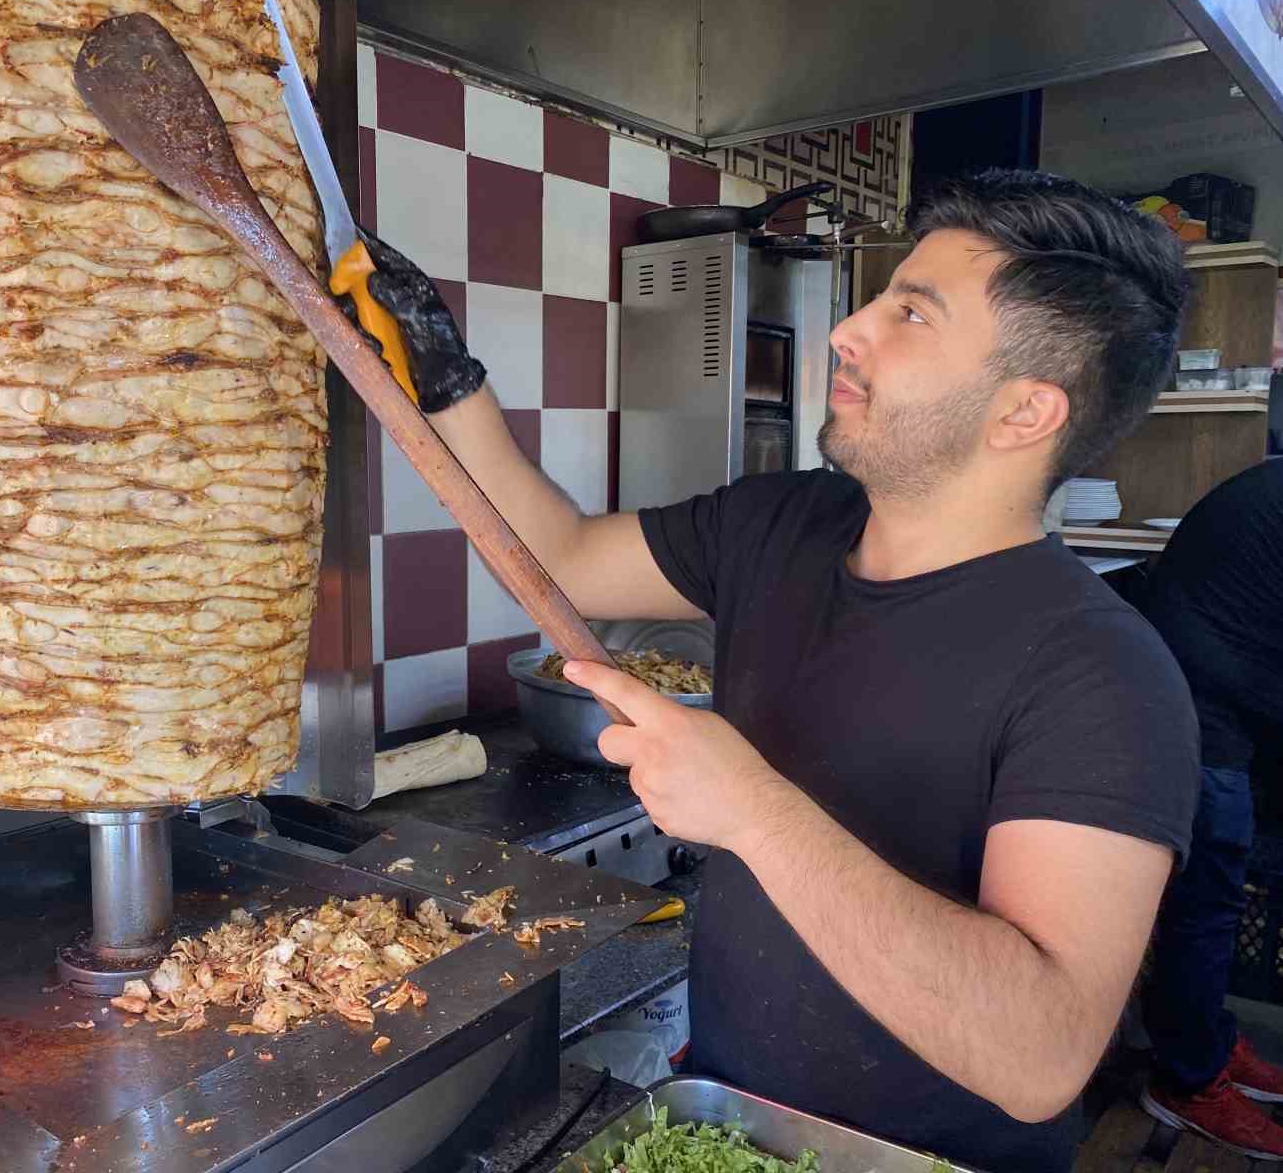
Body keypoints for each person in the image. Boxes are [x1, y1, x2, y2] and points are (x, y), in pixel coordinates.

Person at [340, 169, 1201, 1172]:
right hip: (722, 1127)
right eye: (881, 297)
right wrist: (443, 369)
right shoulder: (782, 525)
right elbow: (560, 553)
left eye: (910, 315)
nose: (850, 330)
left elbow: (1038, 1052)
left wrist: (750, 808)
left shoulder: (1102, 674)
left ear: (1022, 413)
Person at [1137, 458, 1283, 1159]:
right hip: (1198, 704)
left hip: (1223, 688)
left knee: (1213, 891)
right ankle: (1187, 1078)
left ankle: (1207, 1041)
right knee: (1209, 891)